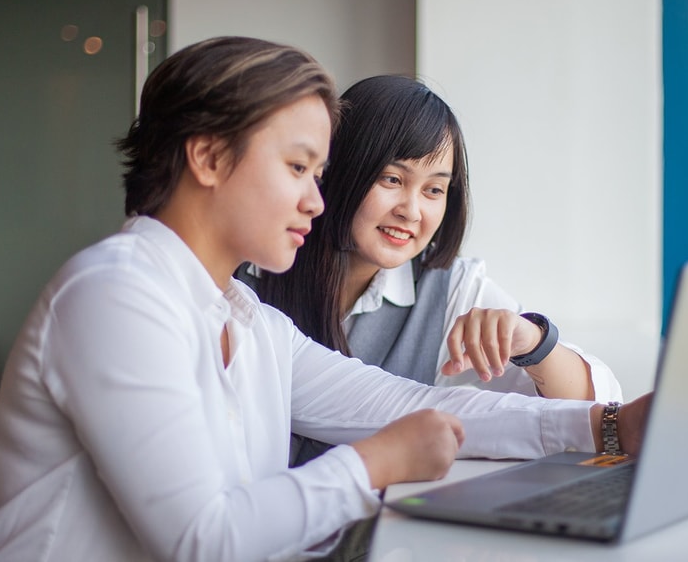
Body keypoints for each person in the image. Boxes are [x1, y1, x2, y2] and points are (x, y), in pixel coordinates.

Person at [0, 37, 650, 562]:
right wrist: (378, 464)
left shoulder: (246, 318)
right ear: (208, 158)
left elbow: (405, 405)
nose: (316, 201)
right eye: (297, 168)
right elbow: (205, 538)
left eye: (319, 174)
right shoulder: (115, 295)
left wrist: (606, 427)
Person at [246, 75, 622, 464]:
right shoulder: (254, 270)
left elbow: (599, 406)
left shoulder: (451, 289)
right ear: (338, 170)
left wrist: (532, 341)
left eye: (434, 190)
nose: (411, 211)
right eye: (392, 179)